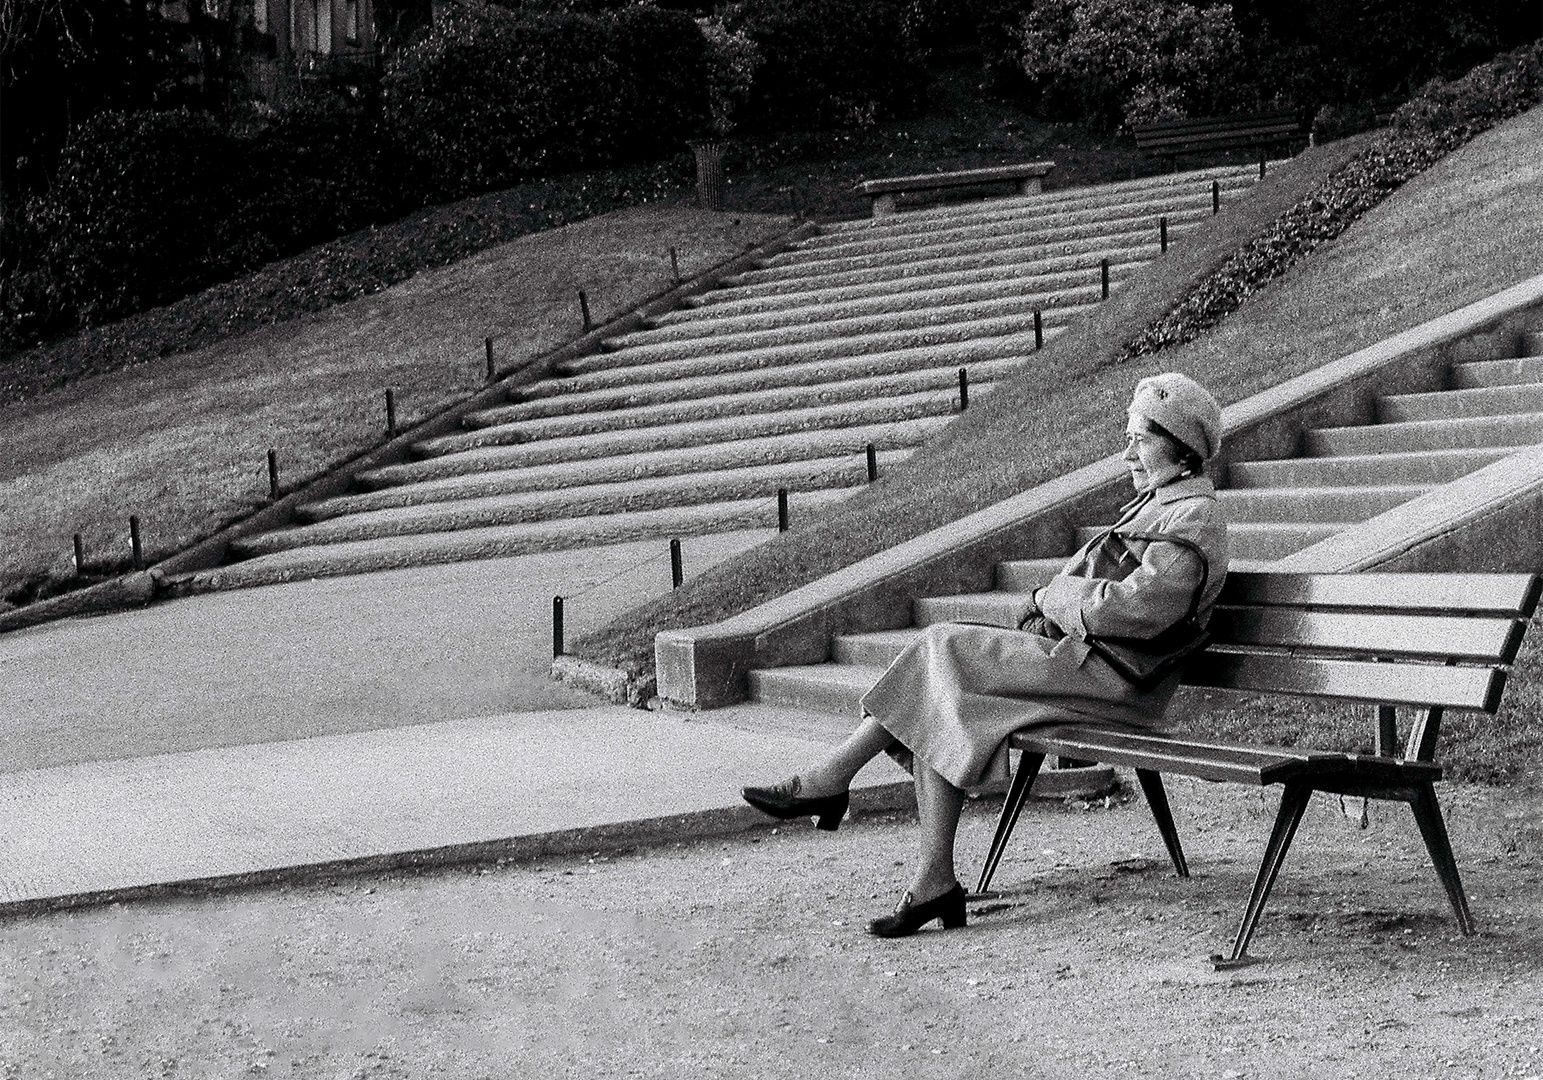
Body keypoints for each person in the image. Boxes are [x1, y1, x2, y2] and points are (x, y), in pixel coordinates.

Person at [742, 372, 1230, 937]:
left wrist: (1051, 596)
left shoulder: (1195, 517)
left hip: (1119, 685)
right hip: (1083, 666)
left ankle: (831, 780)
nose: (1128, 454)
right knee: (939, 694)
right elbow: (1094, 598)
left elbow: (1130, 611)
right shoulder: (1156, 507)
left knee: (943, 647)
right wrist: (1054, 601)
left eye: (1140, 441)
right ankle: (932, 881)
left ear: (1183, 450)